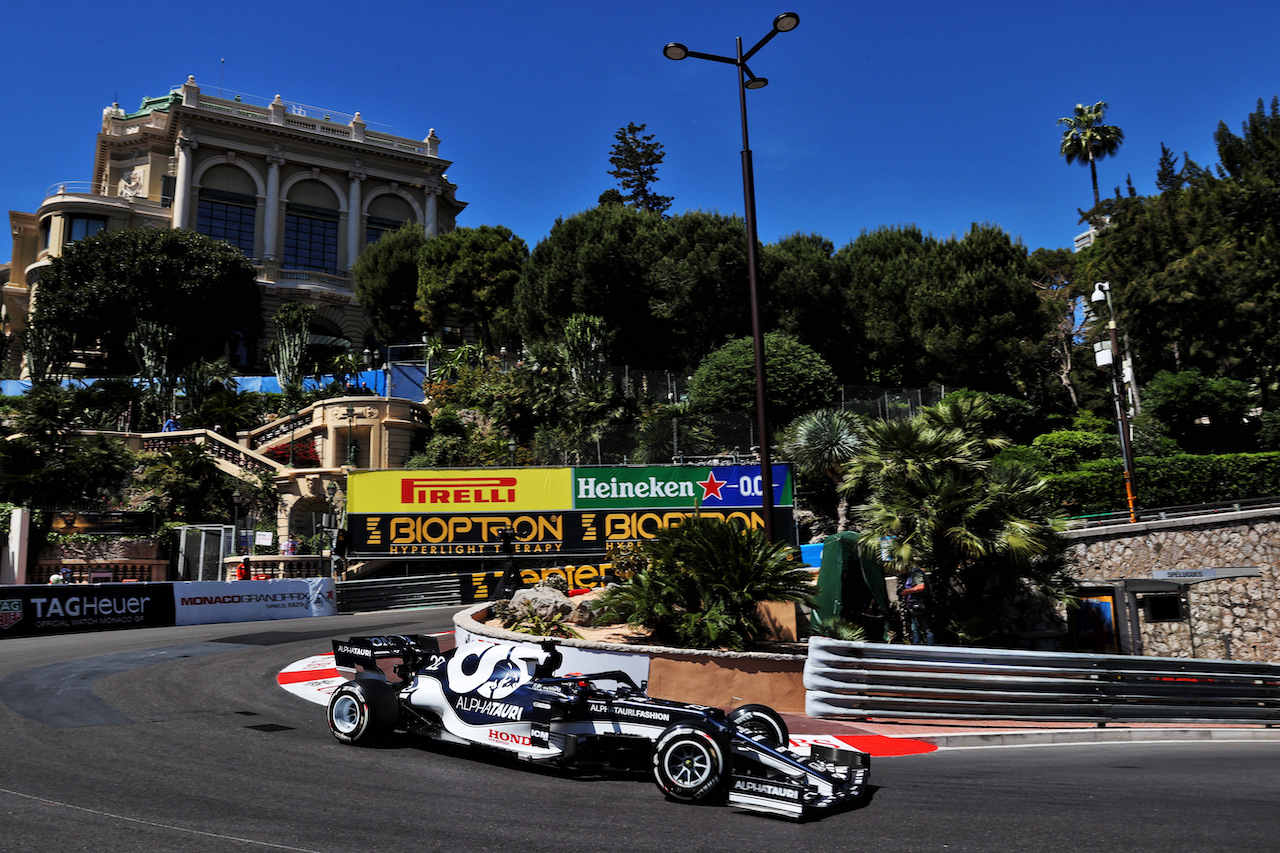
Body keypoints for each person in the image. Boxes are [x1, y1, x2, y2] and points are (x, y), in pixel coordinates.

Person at [899, 566, 934, 645]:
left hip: (921, 605)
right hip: (913, 607)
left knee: (927, 629)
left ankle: (930, 648)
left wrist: (907, 591)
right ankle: (916, 648)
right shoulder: (909, 575)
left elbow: (921, 587)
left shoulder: (916, 573)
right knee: (914, 628)